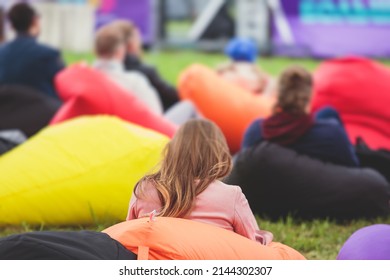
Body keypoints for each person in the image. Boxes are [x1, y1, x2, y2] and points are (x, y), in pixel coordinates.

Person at [127, 119, 273, 245]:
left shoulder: (143, 190)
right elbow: (254, 245)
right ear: (219, 153)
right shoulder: (231, 196)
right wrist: (266, 236)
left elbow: (128, 238)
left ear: (172, 150)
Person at [241, 66, 359, 167]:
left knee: (327, 113)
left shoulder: (256, 130)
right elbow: (354, 167)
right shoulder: (330, 133)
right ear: (310, 95)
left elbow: (242, 166)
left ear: (277, 94)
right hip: (318, 186)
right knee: (329, 113)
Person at [109, 20, 179, 111]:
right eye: (138, 38)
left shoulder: (104, 73)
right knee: (189, 105)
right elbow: (174, 96)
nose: (140, 43)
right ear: (131, 44)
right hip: (154, 120)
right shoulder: (145, 72)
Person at [93, 24, 164, 114]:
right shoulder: (134, 81)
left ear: (95, 51)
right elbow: (156, 113)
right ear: (121, 50)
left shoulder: (83, 80)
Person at [0, 3, 65, 98]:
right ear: (34, 21)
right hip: (43, 111)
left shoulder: (2, 54)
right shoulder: (48, 55)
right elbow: (64, 86)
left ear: (11, 26)